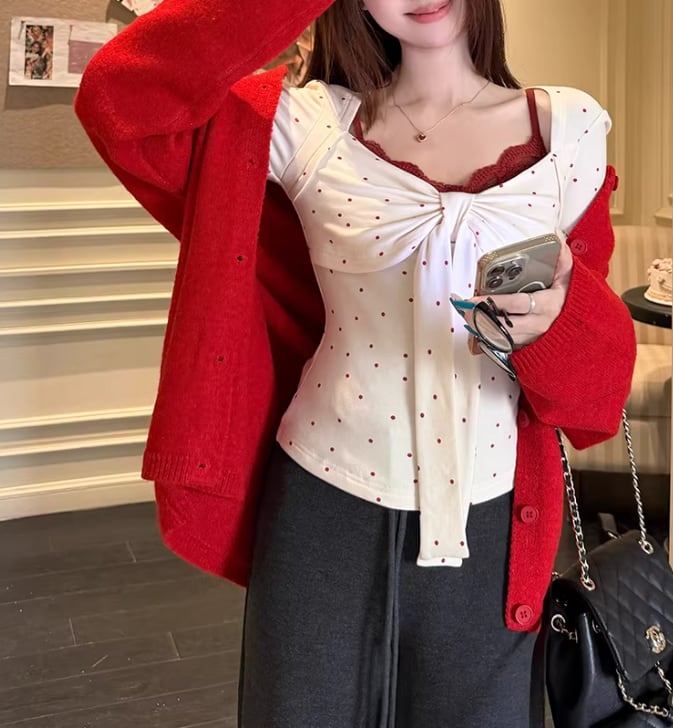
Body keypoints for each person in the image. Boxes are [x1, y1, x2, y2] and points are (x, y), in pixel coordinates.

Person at [75, 0, 637, 725]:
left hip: (499, 520)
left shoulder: (570, 131)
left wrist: (557, 325)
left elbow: (594, 396)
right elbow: (121, 99)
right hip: (324, 504)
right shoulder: (306, 125)